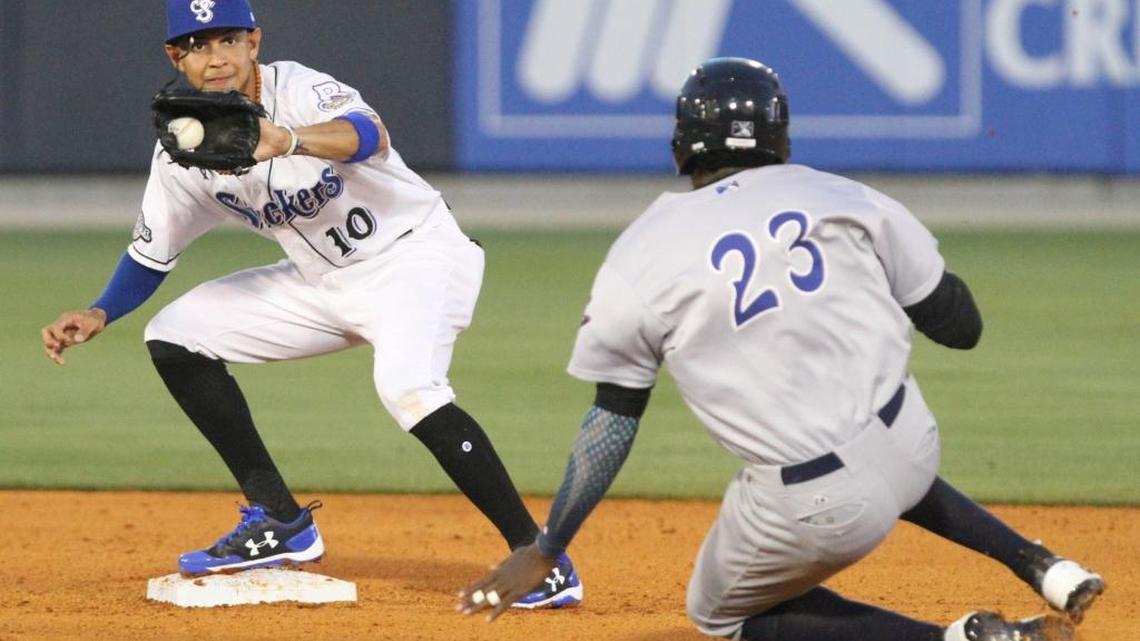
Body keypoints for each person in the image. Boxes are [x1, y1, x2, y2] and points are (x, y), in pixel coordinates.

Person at [457, 57, 1104, 639]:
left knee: (718, 613)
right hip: (912, 436)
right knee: (877, 442)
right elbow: (960, 326)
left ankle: (958, 639)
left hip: (815, 506)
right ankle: (1042, 564)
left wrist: (548, 545)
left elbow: (612, 419)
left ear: (682, 146)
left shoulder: (638, 254)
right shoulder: (843, 195)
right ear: (781, 137)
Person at [39, 0, 581, 610]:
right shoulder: (183, 147)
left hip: (416, 258)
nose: (215, 57)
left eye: (227, 40)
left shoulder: (301, 90)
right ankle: (280, 520)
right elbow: (152, 252)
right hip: (320, 283)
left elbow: (370, 134)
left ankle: (540, 558)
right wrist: (100, 311)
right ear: (175, 57)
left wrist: (289, 140)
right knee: (176, 334)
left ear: (254, 43)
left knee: (409, 387)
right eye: (197, 45)